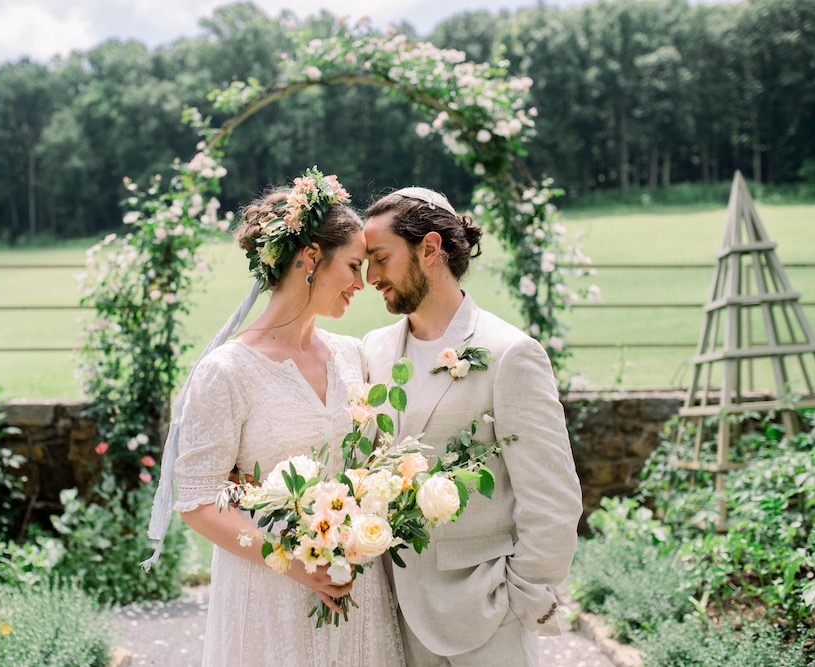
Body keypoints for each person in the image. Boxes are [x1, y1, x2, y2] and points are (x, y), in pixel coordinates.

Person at [152, 169, 405, 666]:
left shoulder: (352, 356)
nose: (362, 283)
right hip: (268, 597)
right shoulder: (227, 372)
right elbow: (198, 501)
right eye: (353, 266)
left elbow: (375, 467)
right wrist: (291, 562)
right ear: (311, 258)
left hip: (355, 591)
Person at [361, 187, 583, 666]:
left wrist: (516, 597)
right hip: (390, 618)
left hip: (485, 620)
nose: (370, 276)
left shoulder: (510, 354)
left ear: (430, 248)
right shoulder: (372, 351)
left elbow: (553, 498)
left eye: (380, 258)